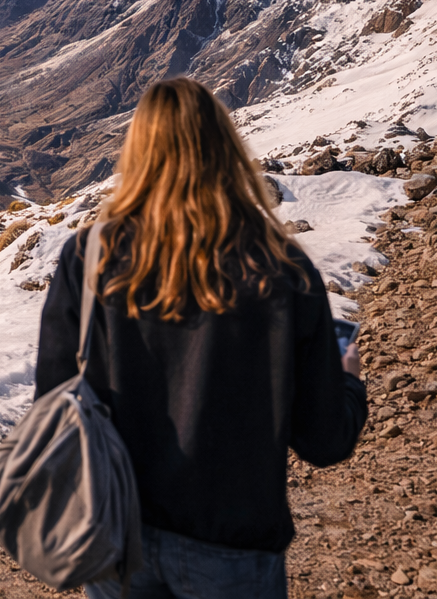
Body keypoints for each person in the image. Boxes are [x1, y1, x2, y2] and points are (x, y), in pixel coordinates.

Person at [34, 78, 367, 599]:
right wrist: (348, 383)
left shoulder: (90, 256)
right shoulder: (279, 268)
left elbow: (53, 402)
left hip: (115, 530)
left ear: (137, 152)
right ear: (225, 150)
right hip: (232, 544)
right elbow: (324, 441)